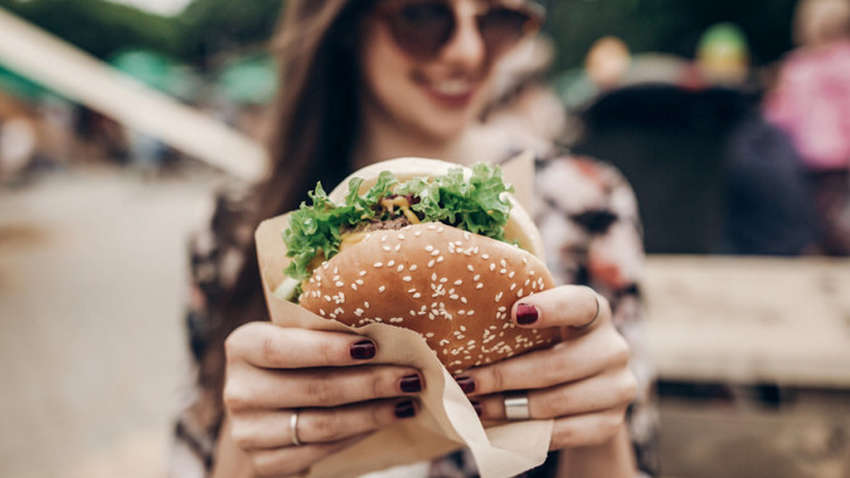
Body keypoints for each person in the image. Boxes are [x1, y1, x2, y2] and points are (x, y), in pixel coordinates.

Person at [171, 1, 657, 477]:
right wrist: (249, 448)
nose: (468, 52)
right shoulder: (232, 231)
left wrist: (596, 421)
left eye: (498, 22)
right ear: (344, 23)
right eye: (424, 15)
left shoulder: (586, 207)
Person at [764, 0, 850, 255]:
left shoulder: (798, 67)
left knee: (816, 214)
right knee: (834, 214)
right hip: (841, 155)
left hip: (806, 154)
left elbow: (779, 116)